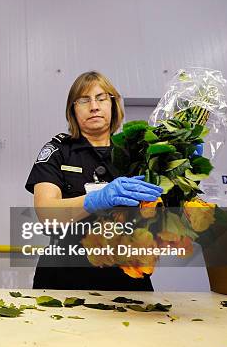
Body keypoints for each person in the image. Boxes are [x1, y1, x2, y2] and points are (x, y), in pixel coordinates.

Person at [25, 71, 162, 291]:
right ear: (73, 110)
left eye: (101, 98)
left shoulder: (138, 153)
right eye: (84, 100)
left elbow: (163, 213)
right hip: (64, 279)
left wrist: (178, 160)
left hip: (127, 279)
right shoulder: (58, 151)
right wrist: (95, 200)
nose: (94, 106)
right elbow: (46, 214)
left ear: (113, 105)